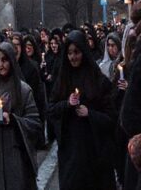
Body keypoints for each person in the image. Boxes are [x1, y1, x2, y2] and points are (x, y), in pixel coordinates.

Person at [48, 31, 116, 190]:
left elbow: (112, 117)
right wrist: (67, 104)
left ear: (83, 52)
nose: (73, 57)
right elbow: (51, 109)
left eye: (77, 52)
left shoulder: (99, 81)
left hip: (95, 153)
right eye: (70, 53)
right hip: (71, 154)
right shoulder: (63, 80)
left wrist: (90, 114)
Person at [0, 42, 41, 190]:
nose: (0, 65)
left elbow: (35, 123)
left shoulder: (23, 90)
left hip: (17, 155)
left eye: (4, 60)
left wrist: (14, 120)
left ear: (11, 60)